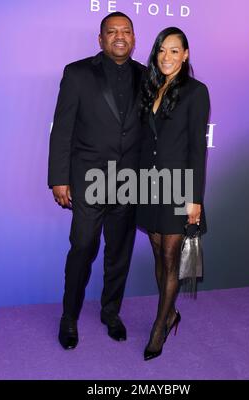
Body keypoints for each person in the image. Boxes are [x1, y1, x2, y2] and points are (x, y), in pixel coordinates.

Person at [48, 12, 146, 349]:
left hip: (131, 183)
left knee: (119, 254)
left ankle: (110, 312)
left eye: (126, 31)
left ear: (134, 38)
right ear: (101, 39)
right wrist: (59, 179)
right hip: (89, 181)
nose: (120, 36)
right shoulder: (77, 74)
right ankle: (69, 317)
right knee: (83, 249)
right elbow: (62, 130)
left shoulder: (147, 77)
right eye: (112, 31)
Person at [137, 27, 210, 360]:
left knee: (169, 259)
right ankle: (170, 313)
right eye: (161, 50)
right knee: (158, 257)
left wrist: (194, 199)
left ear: (186, 54)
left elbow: (197, 148)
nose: (167, 57)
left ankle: (159, 327)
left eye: (174, 50)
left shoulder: (196, 92)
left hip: (178, 186)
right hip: (149, 185)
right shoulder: (150, 86)